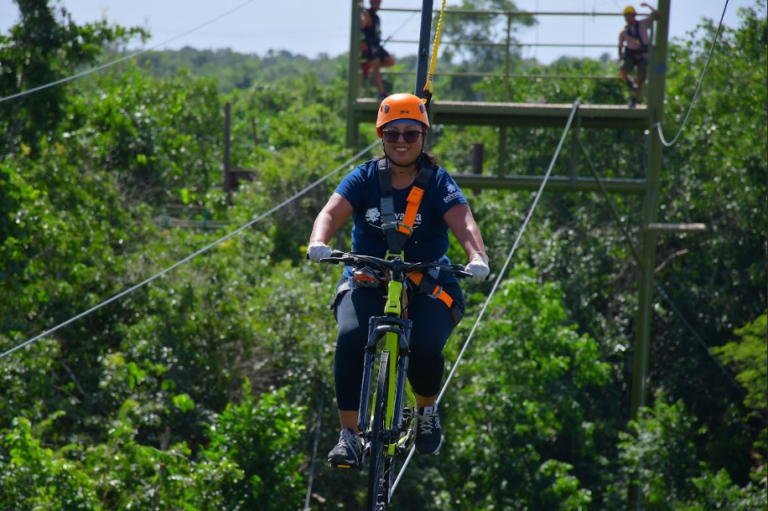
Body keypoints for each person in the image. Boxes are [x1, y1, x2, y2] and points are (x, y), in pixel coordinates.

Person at [307, 93, 490, 467]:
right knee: (351, 337)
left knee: (423, 347)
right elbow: (330, 213)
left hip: (426, 283)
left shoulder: (438, 183)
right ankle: (349, 435)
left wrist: (477, 257)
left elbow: (464, 223)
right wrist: (319, 241)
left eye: (410, 133)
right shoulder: (364, 178)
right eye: (392, 134)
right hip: (368, 279)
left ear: (424, 136)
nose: (401, 141)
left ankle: (426, 411)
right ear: (381, 137)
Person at [618, 3, 660, 108]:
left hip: (644, 54)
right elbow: (620, 46)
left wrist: (648, 6)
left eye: (630, 15)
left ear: (634, 16)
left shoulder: (643, 23)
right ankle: (631, 84)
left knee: (640, 78)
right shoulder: (623, 32)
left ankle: (634, 99)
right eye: (626, 16)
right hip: (631, 54)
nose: (628, 18)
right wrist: (621, 57)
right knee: (622, 71)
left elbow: (657, 16)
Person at [360, 0, 396, 101]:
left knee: (390, 62)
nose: (377, 5)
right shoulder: (367, 14)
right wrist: (363, 13)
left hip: (377, 45)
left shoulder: (376, 16)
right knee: (376, 70)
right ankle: (381, 93)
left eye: (378, 3)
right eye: (375, 3)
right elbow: (361, 26)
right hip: (370, 46)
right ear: (371, 3)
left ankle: (369, 65)